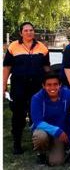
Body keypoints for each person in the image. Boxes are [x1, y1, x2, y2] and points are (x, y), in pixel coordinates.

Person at [3, 22, 50, 154]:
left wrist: (51, 84)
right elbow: (7, 68)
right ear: (20, 33)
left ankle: (38, 143)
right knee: (18, 116)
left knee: (37, 114)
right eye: (26, 30)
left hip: (37, 88)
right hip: (18, 87)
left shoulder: (42, 47)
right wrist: (3, 86)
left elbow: (47, 68)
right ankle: (17, 144)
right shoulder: (13, 47)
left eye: (31, 30)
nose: (29, 32)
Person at [30, 72, 70, 166]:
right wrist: (57, 130)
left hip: (60, 131)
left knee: (56, 162)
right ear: (43, 86)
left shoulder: (66, 93)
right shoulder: (37, 98)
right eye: (49, 85)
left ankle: (60, 148)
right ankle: (41, 153)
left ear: (60, 85)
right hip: (45, 129)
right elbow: (37, 121)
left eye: (55, 84)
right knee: (41, 136)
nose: (52, 88)